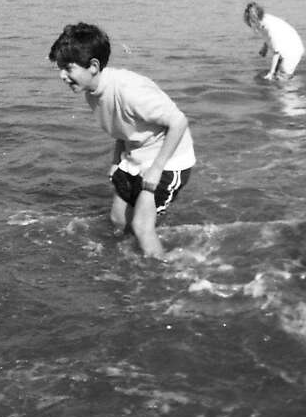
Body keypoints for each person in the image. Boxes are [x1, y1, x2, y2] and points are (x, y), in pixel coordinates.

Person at [48, 22, 196, 259]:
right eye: (59, 68)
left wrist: (156, 171)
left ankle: (166, 275)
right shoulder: (92, 93)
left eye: (68, 68)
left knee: (141, 229)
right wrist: (116, 162)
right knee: (117, 220)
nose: (62, 75)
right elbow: (122, 131)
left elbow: (178, 122)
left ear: (93, 66)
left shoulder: (129, 90)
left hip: (169, 160)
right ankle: (126, 265)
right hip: (135, 155)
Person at [243, 1, 304, 79]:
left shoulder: (269, 27)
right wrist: (265, 47)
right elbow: (268, 36)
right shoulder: (263, 19)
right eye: (250, 20)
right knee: (276, 77)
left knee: (282, 77)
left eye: (252, 20)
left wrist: (271, 73)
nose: (252, 24)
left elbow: (276, 53)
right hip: (285, 45)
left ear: (257, 16)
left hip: (293, 50)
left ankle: (297, 85)